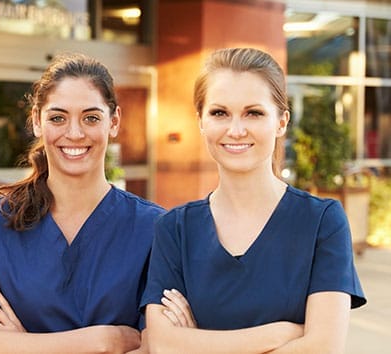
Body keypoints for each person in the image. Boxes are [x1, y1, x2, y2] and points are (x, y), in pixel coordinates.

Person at [140, 47, 366, 353]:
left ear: (281, 122)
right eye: (219, 113)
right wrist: (279, 334)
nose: (236, 130)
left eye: (254, 113)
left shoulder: (321, 222)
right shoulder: (174, 229)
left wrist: (198, 345)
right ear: (201, 121)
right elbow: (163, 345)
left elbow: (323, 348)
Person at [0, 53, 165, 353]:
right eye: (57, 118)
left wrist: (21, 344)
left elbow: (155, 347)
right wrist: (105, 341)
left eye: (91, 118)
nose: (74, 133)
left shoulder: (154, 229)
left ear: (114, 121)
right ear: (37, 121)